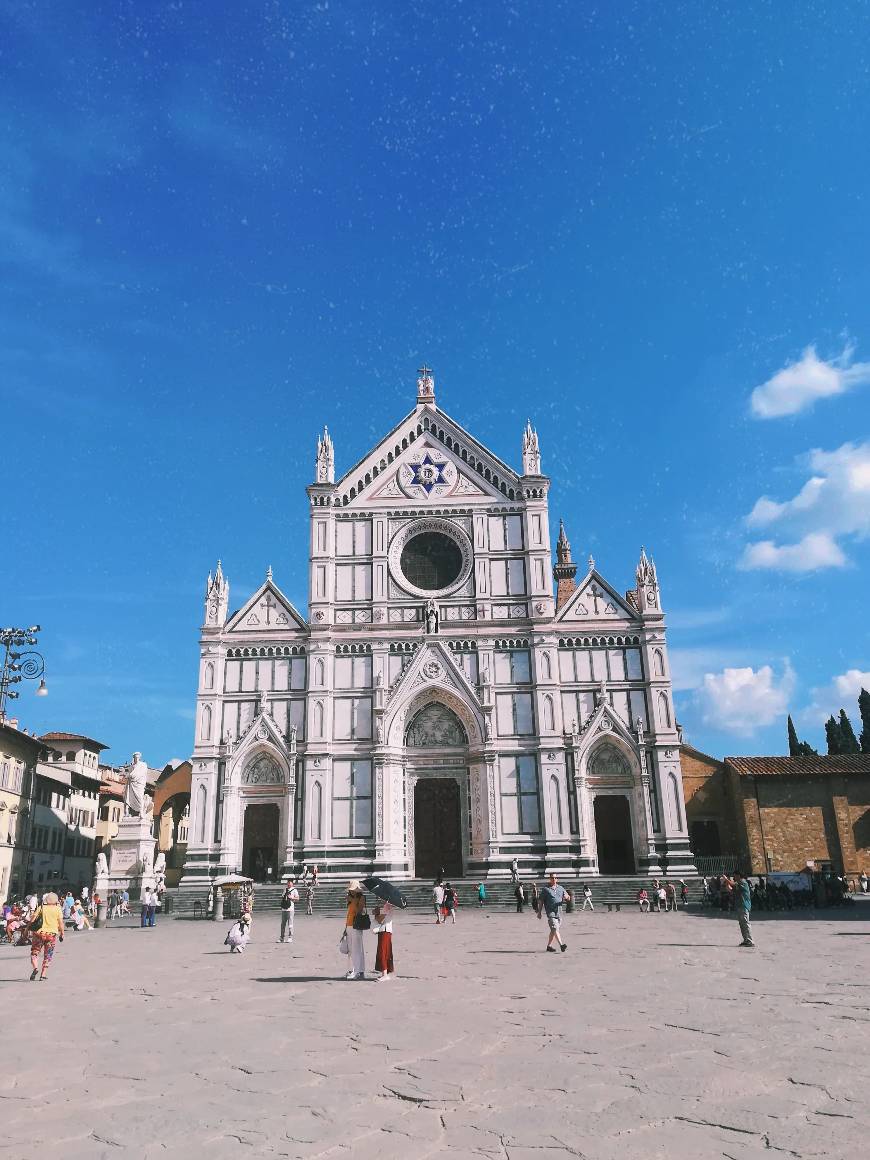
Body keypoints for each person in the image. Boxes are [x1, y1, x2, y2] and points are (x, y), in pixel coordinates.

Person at [28, 892, 64, 981]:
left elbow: (32, 919)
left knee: (34, 952)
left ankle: (35, 968)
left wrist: (27, 928)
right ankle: (43, 975)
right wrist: (62, 933)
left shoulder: (41, 907)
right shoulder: (58, 909)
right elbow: (60, 923)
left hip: (39, 934)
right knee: (48, 955)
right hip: (51, 935)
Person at [537, 872, 572, 952]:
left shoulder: (561, 888)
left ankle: (549, 946)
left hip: (559, 913)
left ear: (557, 879)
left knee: (553, 930)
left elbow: (568, 897)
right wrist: (539, 912)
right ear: (550, 879)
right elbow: (541, 901)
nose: (554, 879)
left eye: (555, 878)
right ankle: (561, 945)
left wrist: (567, 897)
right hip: (551, 913)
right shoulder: (546, 889)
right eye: (552, 878)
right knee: (555, 928)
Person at [344, 881, 367, 979]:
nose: (351, 891)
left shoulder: (361, 898)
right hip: (349, 925)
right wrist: (345, 928)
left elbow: (359, 911)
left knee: (357, 949)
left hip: (357, 925)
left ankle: (359, 971)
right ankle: (354, 970)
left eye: (352, 890)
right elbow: (349, 913)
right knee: (351, 950)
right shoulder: (350, 899)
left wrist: (353, 900)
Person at [373, 902, 395, 981]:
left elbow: (380, 920)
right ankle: (385, 973)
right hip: (387, 930)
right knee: (386, 951)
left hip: (385, 930)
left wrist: (376, 913)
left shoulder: (387, 906)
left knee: (383, 951)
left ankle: (385, 974)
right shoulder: (389, 906)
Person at [734, 871, 754, 948]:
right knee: (742, 924)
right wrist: (727, 884)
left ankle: (750, 940)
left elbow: (733, 884)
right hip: (739, 905)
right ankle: (746, 940)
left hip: (744, 905)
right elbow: (732, 890)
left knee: (745, 923)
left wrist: (726, 880)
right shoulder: (739, 884)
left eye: (735, 875)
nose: (734, 877)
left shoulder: (743, 882)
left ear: (739, 875)